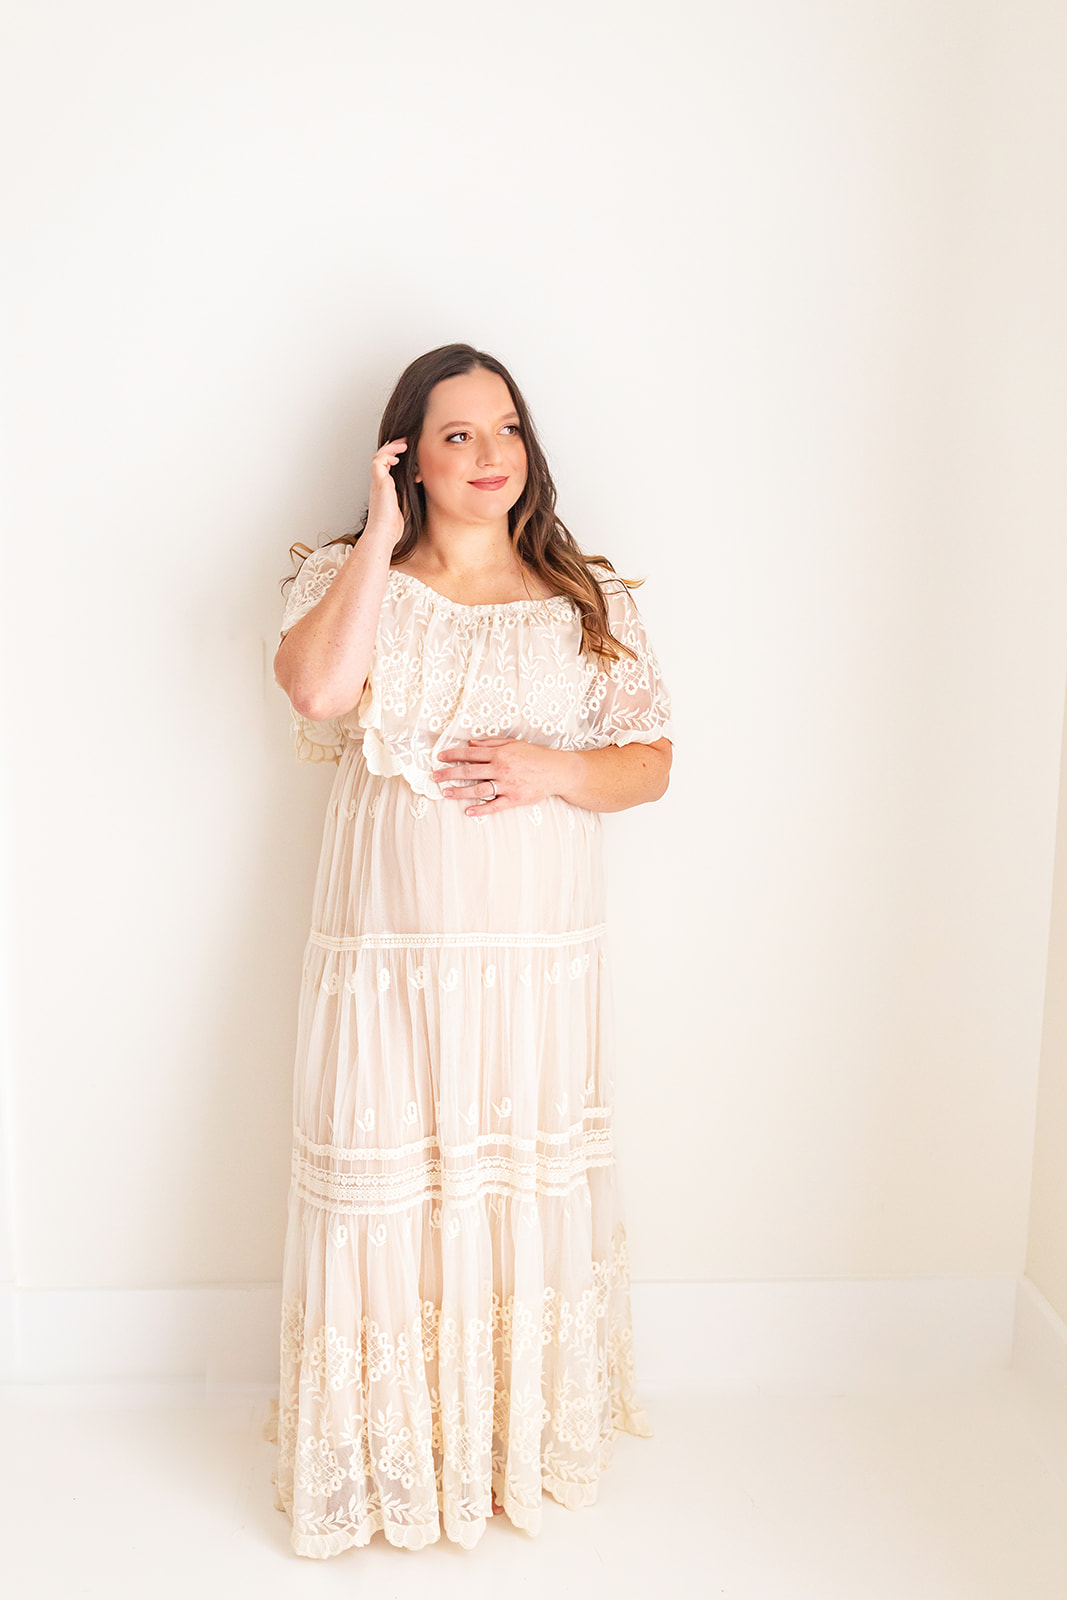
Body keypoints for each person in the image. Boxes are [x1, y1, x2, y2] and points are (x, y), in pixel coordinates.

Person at [265, 342, 673, 1558]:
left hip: (531, 953)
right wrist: (378, 538)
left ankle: (508, 1444)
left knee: (508, 1174)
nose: (489, 455)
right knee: (389, 1168)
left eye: (505, 430)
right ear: (406, 453)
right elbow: (317, 692)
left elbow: (650, 761)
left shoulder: (583, 600)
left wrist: (548, 767)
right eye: (455, 435)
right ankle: (390, 1452)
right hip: (388, 946)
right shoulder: (353, 576)